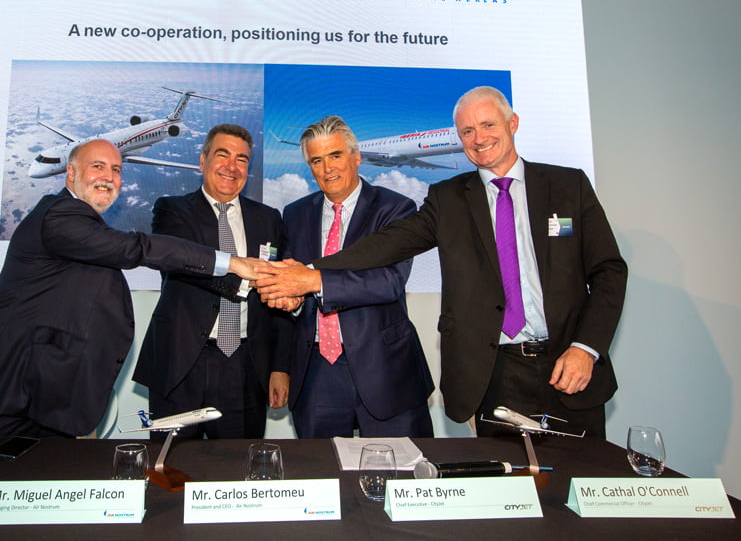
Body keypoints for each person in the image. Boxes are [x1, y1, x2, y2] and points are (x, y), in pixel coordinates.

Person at [257, 87, 627, 437]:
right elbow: (387, 245)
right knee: (506, 480)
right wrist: (311, 272)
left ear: (512, 123)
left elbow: (609, 272)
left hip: (568, 364)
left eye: (488, 125)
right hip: (491, 374)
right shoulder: (448, 199)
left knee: (578, 473)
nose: (479, 138)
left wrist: (585, 348)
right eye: (467, 131)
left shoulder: (568, 186)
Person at [0, 139, 263, 452]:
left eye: (117, 169)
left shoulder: (83, 227)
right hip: (0, 400)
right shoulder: (59, 214)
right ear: (71, 173)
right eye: (97, 166)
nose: (109, 176)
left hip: (41, 405)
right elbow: (138, 248)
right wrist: (233, 263)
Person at [259, 116, 434, 438]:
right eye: (317, 160)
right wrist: (289, 298)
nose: (327, 168)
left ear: (356, 157)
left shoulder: (395, 208)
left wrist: (314, 281)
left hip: (386, 369)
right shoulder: (295, 214)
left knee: (400, 466)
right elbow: (290, 284)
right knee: (321, 467)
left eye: (335, 155)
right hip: (315, 371)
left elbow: (389, 282)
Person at [132, 124, 292, 439]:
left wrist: (280, 366)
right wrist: (247, 279)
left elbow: (280, 296)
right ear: (203, 161)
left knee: (238, 461)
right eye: (222, 155)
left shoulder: (269, 218)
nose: (232, 166)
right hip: (180, 363)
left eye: (242, 159)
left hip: (246, 365)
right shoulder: (172, 210)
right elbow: (186, 265)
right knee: (171, 461)